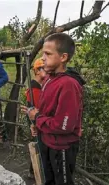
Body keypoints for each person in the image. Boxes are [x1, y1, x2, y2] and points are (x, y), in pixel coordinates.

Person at [22, 33, 86, 185]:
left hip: (61, 147)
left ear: (63, 57)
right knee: (49, 181)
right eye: (43, 53)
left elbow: (64, 126)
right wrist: (38, 126)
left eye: (48, 54)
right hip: (48, 141)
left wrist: (37, 118)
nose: (43, 57)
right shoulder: (50, 79)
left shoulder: (68, 84)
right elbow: (47, 111)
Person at [25, 58, 46, 179]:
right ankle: (34, 173)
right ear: (37, 71)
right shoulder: (34, 89)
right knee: (40, 148)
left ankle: (33, 172)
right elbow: (35, 109)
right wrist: (34, 123)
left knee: (40, 147)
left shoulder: (39, 86)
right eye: (43, 68)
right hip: (38, 122)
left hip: (39, 120)